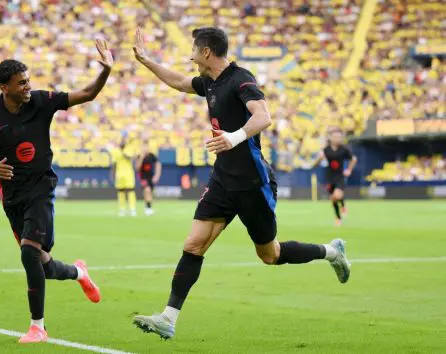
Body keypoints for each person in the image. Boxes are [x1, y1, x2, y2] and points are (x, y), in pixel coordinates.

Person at [131, 27, 351, 340]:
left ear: (206, 52)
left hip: (252, 183)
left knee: (270, 255)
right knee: (194, 244)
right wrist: (146, 61)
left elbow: (263, 116)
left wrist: (233, 138)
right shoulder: (208, 81)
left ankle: (332, 252)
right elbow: (180, 82)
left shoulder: (240, 78)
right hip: (223, 179)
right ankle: (168, 318)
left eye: (193, 50)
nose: (190, 56)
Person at [0, 39, 113, 344]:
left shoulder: (42, 101)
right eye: (21, 83)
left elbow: (88, 93)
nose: (28, 86)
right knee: (41, 262)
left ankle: (38, 327)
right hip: (12, 197)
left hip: (41, 188)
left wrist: (106, 71)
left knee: (30, 253)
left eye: (29, 80)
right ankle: (79, 273)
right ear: (5, 87)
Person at [312, 129, 357, 226]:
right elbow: (316, 163)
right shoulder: (326, 150)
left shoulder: (344, 149)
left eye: (339, 137)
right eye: (336, 137)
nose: (338, 139)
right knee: (333, 199)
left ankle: (343, 205)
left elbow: (353, 159)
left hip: (339, 176)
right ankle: (338, 217)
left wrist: (349, 170)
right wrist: (319, 158)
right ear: (331, 138)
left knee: (336, 196)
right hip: (329, 177)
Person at [109, 138, 137, 216]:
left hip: (129, 174)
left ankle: (132, 209)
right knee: (121, 192)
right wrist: (113, 175)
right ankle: (122, 209)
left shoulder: (129, 149)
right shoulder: (114, 151)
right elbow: (114, 164)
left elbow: (130, 158)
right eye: (121, 141)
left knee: (130, 191)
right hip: (119, 174)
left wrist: (123, 152)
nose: (122, 142)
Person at [136, 142, 161, 216]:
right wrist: (141, 158)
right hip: (143, 177)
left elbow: (158, 164)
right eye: (143, 147)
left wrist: (157, 175)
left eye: (146, 147)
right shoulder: (139, 156)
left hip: (150, 177)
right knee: (147, 190)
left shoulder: (152, 156)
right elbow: (137, 168)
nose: (145, 149)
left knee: (149, 193)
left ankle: (148, 207)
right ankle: (148, 209)